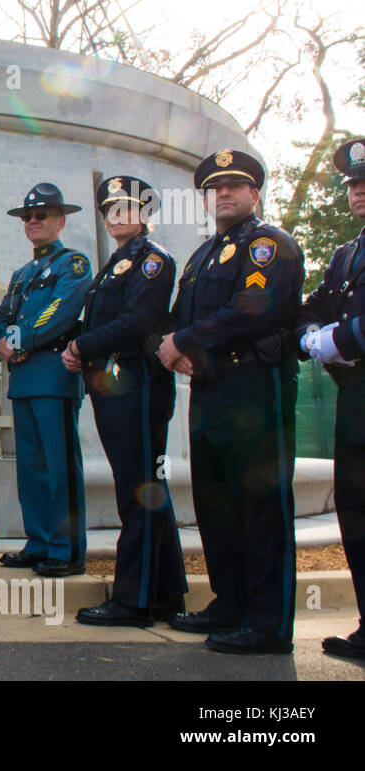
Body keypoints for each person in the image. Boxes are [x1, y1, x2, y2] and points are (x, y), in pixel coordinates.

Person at [157, 149, 303, 654]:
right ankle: (231, 601)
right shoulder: (201, 256)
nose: (223, 194)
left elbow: (252, 309)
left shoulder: (269, 245)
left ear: (254, 193)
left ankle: (268, 623)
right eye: (214, 189)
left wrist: (186, 342)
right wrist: (175, 349)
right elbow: (177, 317)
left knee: (261, 506)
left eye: (234, 186)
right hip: (209, 392)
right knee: (216, 503)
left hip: (254, 391)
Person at [63, 176, 187, 626]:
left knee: (137, 491)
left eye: (127, 208)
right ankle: (166, 594)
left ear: (145, 213)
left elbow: (137, 321)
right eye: (111, 209)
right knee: (144, 490)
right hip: (115, 383)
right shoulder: (113, 265)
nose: (117, 216)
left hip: (136, 381)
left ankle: (133, 602)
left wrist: (80, 348)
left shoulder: (152, 261)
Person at [0, 183, 93, 577]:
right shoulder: (22, 273)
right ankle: (38, 541)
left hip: (53, 373)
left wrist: (21, 338)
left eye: (41, 215)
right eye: (28, 217)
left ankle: (65, 550)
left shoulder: (73, 264)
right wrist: (3, 338)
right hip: (25, 376)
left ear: (61, 221)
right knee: (30, 465)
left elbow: (61, 311)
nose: (33, 221)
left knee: (58, 465)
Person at [295, 137, 365, 659]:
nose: (358, 192)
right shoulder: (346, 254)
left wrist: (342, 338)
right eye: (353, 184)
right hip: (354, 398)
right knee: (356, 508)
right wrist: (310, 335)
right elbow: (310, 307)